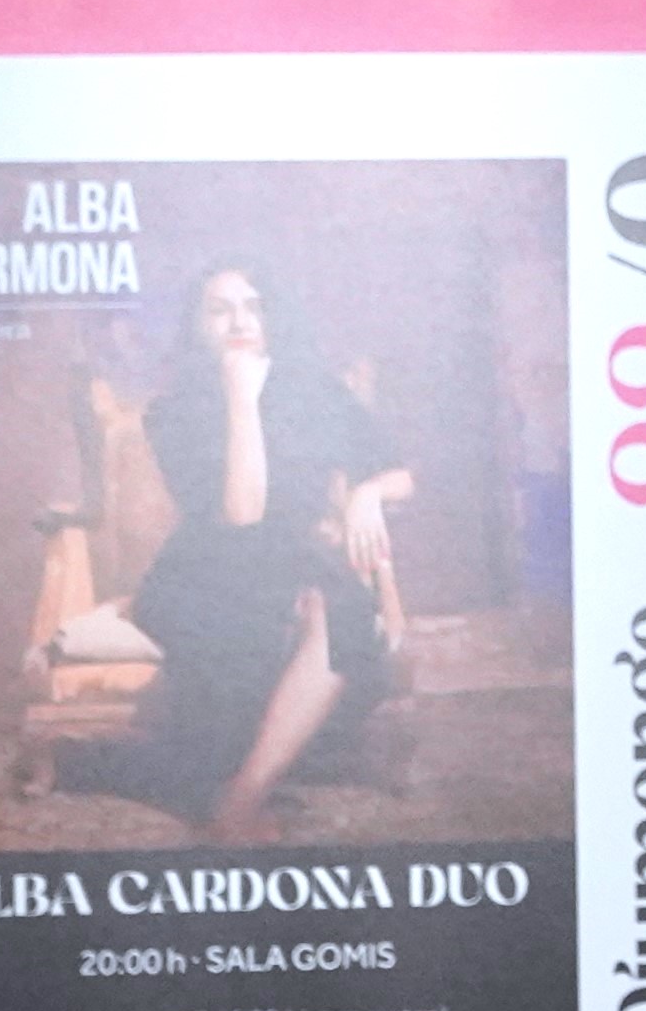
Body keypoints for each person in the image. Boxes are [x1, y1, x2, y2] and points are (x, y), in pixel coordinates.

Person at [108, 259, 416, 841]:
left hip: (296, 564)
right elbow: (242, 516)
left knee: (341, 610)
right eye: (219, 310)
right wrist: (241, 397)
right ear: (196, 326)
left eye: (252, 306)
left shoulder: (316, 389)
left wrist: (367, 495)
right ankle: (227, 792)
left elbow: (400, 474)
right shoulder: (175, 411)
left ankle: (237, 801)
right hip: (209, 574)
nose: (238, 321)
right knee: (227, 706)